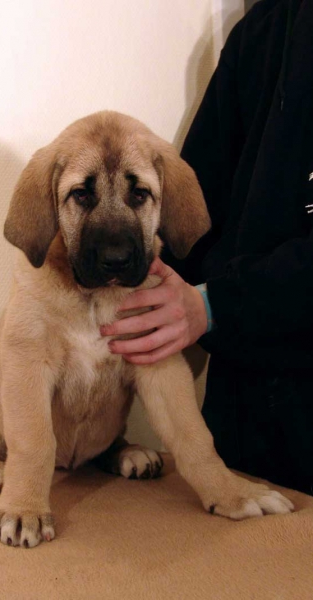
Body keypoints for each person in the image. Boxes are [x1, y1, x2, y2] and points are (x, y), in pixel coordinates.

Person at [101, 0, 313, 495]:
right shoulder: (261, 30)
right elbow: (191, 212)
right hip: (243, 411)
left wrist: (212, 304)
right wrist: (128, 287)